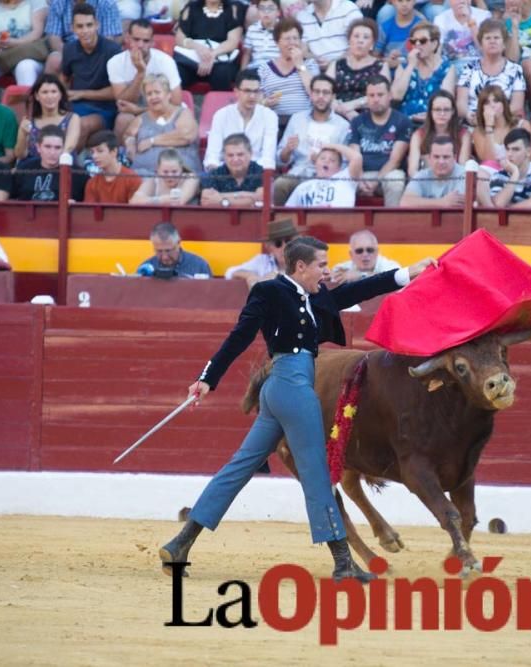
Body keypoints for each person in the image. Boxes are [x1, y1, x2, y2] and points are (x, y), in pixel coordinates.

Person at [158, 236, 435, 582]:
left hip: (281, 389)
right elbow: (239, 337)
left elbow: (359, 291)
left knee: (239, 467)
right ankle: (343, 564)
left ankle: (181, 543)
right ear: (300, 266)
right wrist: (207, 378)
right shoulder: (269, 292)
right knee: (319, 473)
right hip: (292, 386)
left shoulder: (315, 296)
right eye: (321, 264)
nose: (326, 270)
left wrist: (408, 273)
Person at [273, 74, 351, 205]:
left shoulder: (343, 125)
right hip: (299, 173)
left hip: (329, 177)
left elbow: (344, 164)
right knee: (280, 184)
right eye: (317, 92)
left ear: (333, 96)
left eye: (326, 92)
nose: (321, 96)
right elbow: (280, 161)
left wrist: (325, 167)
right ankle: (281, 222)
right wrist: (287, 150)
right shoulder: (297, 119)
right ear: (311, 94)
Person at [108, 19, 182, 140]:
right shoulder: (115, 62)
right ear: (128, 39)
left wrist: (139, 110)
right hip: (131, 112)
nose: (141, 45)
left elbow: (176, 102)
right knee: (123, 119)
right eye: (136, 39)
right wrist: (140, 73)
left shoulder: (166, 62)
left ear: (152, 42)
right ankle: (122, 157)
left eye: (146, 41)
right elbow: (122, 101)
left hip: (165, 112)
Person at [61, 3, 123, 148]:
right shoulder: (69, 49)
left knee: (81, 125)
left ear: (97, 25)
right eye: (80, 26)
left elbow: (117, 92)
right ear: (72, 28)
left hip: (104, 109)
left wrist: (81, 94)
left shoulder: (113, 50)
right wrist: (61, 95)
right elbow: (64, 78)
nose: (85, 31)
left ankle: (67, 167)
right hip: (75, 106)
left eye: (89, 25)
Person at [348, 75, 411, 207]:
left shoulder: (402, 121)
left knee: (395, 180)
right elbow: (354, 156)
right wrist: (359, 179)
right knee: (342, 180)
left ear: (390, 95)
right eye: (371, 95)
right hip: (362, 174)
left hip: (389, 173)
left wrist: (375, 181)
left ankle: (393, 225)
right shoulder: (357, 121)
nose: (375, 99)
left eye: (380, 95)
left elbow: (395, 160)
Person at [125, 73, 201, 176]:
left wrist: (152, 141)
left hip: (178, 174)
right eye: (149, 94)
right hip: (143, 173)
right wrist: (130, 142)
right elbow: (128, 135)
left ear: (169, 94)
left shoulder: (182, 113)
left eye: (157, 92)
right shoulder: (141, 118)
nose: (153, 97)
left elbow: (186, 136)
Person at [203, 69, 278, 171]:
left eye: (256, 91)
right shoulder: (221, 115)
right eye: (247, 91)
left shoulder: (269, 116)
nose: (252, 96)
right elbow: (212, 156)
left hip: (256, 173)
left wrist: (247, 172)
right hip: (225, 172)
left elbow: (268, 158)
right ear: (236, 92)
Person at [456, 19, 526, 124]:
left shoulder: (515, 69)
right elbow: (461, 103)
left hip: (504, 122)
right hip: (474, 121)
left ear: (504, 43)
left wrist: (493, 118)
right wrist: (468, 114)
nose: (492, 41)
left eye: (496, 38)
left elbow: (517, 106)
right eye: (487, 38)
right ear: (481, 43)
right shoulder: (469, 68)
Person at [390, 21, 455, 124]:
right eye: (413, 41)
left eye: (423, 41)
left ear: (434, 44)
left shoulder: (446, 69)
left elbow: (446, 102)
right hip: (405, 121)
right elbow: (396, 96)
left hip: (434, 122)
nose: (417, 45)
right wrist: (411, 65)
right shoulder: (404, 67)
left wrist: (429, 116)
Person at [173, 0, 245, 90]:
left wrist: (211, 55)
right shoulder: (191, 7)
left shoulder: (233, 8)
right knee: (177, 72)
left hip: (220, 57)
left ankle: (220, 103)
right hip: (192, 57)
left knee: (222, 73)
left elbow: (232, 42)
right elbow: (180, 38)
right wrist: (197, 47)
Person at [258, 17, 320, 119]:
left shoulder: (310, 64)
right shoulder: (264, 68)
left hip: (303, 119)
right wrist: (265, 102)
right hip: (274, 119)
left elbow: (315, 93)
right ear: (277, 42)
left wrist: (300, 65)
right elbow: (258, 99)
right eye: (287, 39)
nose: (292, 42)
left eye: (295, 38)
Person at [327, 18, 389, 121]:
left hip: (368, 117)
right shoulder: (336, 64)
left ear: (372, 44)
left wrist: (353, 105)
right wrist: (345, 110)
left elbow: (382, 95)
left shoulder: (380, 66)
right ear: (349, 40)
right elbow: (325, 92)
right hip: (336, 115)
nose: (360, 41)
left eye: (366, 37)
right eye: (356, 36)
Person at [400, 135, 485, 207]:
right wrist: (442, 202)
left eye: (446, 157)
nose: (441, 162)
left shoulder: (464, 175)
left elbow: (457, 204)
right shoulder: (422, 175)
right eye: (436, 157)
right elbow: (405, 202)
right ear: (429, 158)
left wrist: (425, 203)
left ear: (455, 158)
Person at [11, 125, 89, 200]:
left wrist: (75, 206)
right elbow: (11, 200)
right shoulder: (24, 170)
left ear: (63, 148)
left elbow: (86, 207)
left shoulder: (79, 175)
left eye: (57, 148)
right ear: (38, 147)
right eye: (47, 147)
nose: (52, 152)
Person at [0, 0, 50, 86]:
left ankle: (28, 99)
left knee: (25, 67)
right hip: (4, 58)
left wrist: (14, 42)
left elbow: (37, 33)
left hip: (29, 55)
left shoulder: (36, 2)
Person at [14, 74, 82, 161]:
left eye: (54, 92)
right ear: (37, 96)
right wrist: (23, 134)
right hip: (34, 169)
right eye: (45, 92)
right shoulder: (29, 122)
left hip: (62, 166)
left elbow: (69, 148)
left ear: (60, 95)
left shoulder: (72, 118)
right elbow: (20, 154)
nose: (50, 96)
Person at [44, 0, 121, 74]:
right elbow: (54, 37)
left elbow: (108, 40)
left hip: (98, 52)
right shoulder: (58, 2)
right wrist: (71, 57)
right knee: (54, 60)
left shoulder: (107, 3)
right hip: (67, 50)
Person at [407, 90, 471, 177]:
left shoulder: (464, 135)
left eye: (446, 110)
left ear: (453, 112)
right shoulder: (418, 136)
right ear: (430, 112)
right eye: (437, 109)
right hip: (426, 181)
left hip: (454, 182)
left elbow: (463, 168)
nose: (442, 113)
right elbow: (412, 170)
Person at [485, 127, 531, 208]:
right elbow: (499, 204)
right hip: (507, 220)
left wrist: (507, 209)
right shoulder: (498, 175)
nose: (509, 154)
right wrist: (515, 174)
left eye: (515, 149)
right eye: (507, 149)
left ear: (528, 152)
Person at [471, 84, 531, 167]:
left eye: (496, 101)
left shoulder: (523, 125)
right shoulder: (478, 132)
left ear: (503, 104)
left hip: (520, 172)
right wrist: (489, 126)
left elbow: (529, 157)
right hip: (493, 175)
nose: (492, 105)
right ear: (482, 109)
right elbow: (488, 162)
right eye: (487, 103)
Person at [285, 142, 362, 207]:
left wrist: (332, 145)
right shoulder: (302, 187)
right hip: (310, 223)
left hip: (338, 222)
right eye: (322, 158)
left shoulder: (345, 179)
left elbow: (357, 158)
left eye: (332, 160)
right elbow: (288, 213)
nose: (326, 161)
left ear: (339, 168)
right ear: (316, 163)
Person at [224, 217, 297, 286]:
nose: (284, 247)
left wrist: (276, 275)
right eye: (278, 243)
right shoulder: (262, 261)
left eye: (288, 241)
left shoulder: (304, 259)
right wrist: (250, 275)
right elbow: (229, 272)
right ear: (270, 248)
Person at [201, 133, 265, 208]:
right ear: (224, 156)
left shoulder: (261, 172)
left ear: (250, 154)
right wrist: (248, 196)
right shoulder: (215, 174)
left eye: (240, 154)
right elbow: (206, 201)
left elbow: (261, 199)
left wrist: (222, 201)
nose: (235, 159)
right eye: (230, 155)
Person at [299, 0, 363, 69]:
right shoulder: (302, 16)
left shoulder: (348, 8)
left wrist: (333, 63)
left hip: (349, 67)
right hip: (317, 71)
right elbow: (304, 51)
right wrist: (316, 59)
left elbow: (359, 45)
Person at [136, 221, 213, 278]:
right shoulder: (145, 270)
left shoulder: (199, 266)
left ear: (178, 243)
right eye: (159, 251)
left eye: (168, 251)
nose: (164, 257)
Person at [82, 129, 140, 202]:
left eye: (100, 151)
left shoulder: (132, 179)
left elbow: (135, 212)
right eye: (92, 152)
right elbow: (89, 212)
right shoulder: (92, 183)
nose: (94, 156)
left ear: (114, 152)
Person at [329, 229, 400, 286]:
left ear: (377, 252)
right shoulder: (344, 268)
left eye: (370, 250)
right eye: (359, 251)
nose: (365, 254)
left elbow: (391, 278)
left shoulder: (390, 266)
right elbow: (333, 279)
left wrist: (361, 276)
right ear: (351, 254)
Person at [433, 0, 490, 71]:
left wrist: (469, 19)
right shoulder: (440, 19)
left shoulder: (484, 16)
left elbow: (485, 49)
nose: (461, 1)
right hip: (451, 66)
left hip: (478, 65)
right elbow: (437, 51)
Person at [130, 148, 200, 204]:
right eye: (165, 172)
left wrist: (149, 201)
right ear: (158, 169)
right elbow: (134, 201)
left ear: (181, 169)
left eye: (174, 172)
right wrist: (160, 200)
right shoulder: (153, 181)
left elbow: (179, 201)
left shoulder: (191, 178)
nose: (170, 176)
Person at [241, 0, 281, 71]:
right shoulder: (252, 29)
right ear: (258, 11)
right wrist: (242, 73)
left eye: (270, 8)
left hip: (277, 67)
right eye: (262, 8)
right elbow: (247, 54)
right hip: (257, 67)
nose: (266, 12)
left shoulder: (283, 29)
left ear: (278, 12)